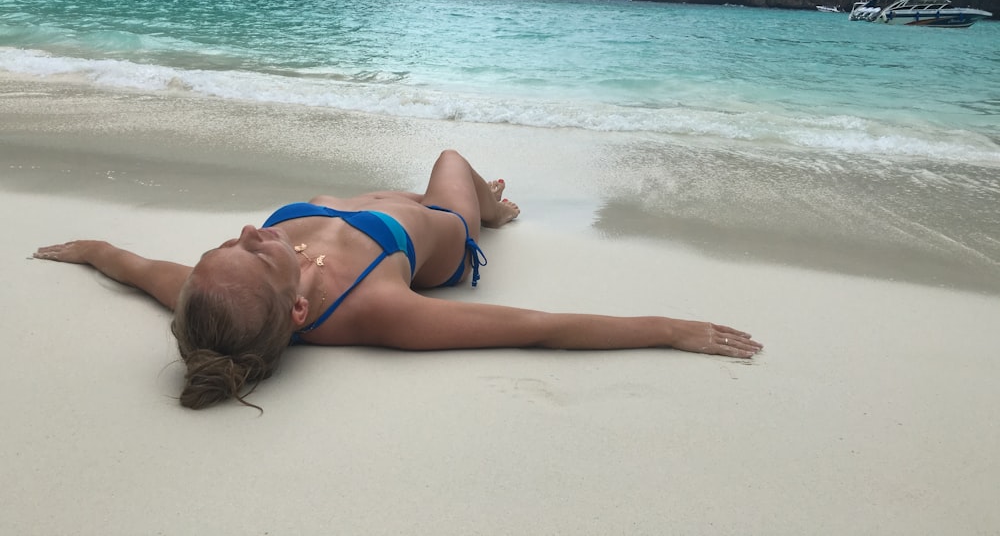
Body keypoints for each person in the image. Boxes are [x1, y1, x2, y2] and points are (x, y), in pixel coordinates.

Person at [34, 149, 762, 410]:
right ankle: (491, 209)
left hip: (364, 209)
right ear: (294, 308)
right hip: (439, 228)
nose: (253, 232)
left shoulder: (213, 292)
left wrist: (93, 246)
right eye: (254, 250)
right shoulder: (376, 309)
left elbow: (131, 267)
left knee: (384, 198)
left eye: (231, 240)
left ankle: (469, 199)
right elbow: (539, 328)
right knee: (451, 163)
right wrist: (670, 330)